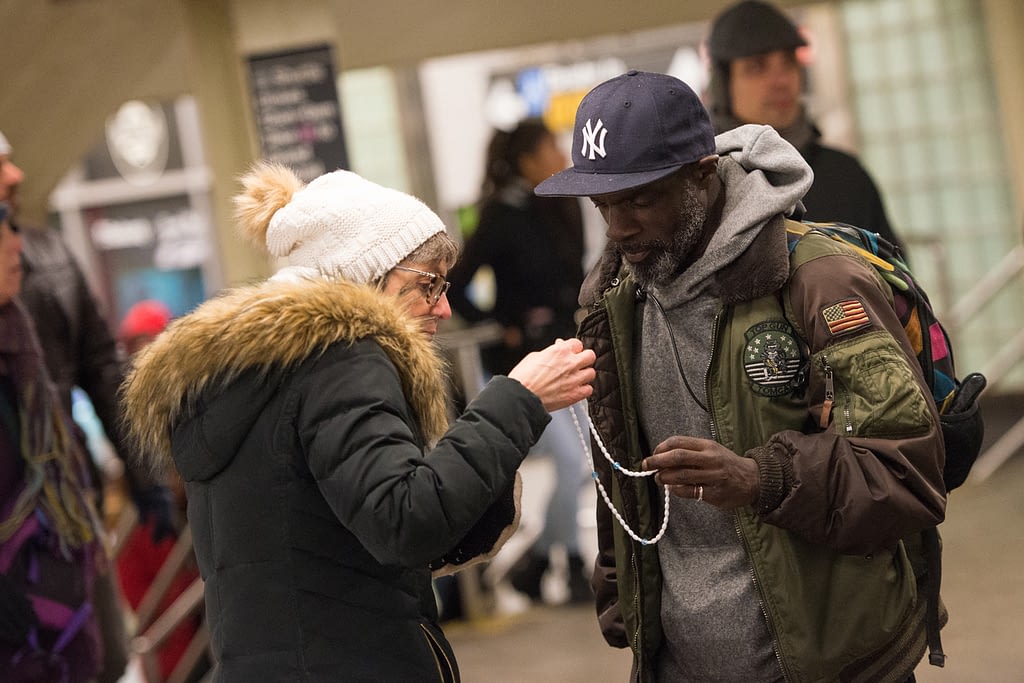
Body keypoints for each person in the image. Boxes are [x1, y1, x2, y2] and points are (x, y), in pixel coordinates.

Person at [535, 70, 946, 681]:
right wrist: (625, 591)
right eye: (603, 205)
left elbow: (908, 473)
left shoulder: (820, 281)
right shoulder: (614, 298)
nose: (618, 230)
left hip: (834, 661)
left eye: (641, 199)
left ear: (703, 174)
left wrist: (762, 478)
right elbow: (617, 465)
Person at [120, 161, 596, 681]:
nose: (442, 308)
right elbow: (404, 520)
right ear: (367, 276)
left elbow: (364, 529)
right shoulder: (340, 359)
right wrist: (516, 399)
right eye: (429, 283)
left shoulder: (244, 374)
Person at [0, 128, 174, 682]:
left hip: (68, 504)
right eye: (1, 164)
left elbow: (104, 370)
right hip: (13, 518)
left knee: (102, 658)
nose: (17, 174)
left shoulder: (47, 254)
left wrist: (145, 477)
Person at [446, 119, 591, 604]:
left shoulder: (563, 204)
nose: (560, 154)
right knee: (571, 463)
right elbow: (458, 283)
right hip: (525, 366)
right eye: (550, 147)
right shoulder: (502, 215)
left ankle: (537, 563)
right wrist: (497, 321)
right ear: (528, 160)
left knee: (584, 464)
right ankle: (567, 563)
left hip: (570, 355)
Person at [0, 199, 109, 681]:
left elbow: (103, 363)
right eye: (2, 234)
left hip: (50, 585)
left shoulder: (18, 337)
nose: (17, 248)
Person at [703, 0, 905, 253]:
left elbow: (898, 281)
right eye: (757, 67)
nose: (781, 80)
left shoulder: (845, 176)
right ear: (723, 85)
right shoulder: (701, 183)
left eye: (788, 62)